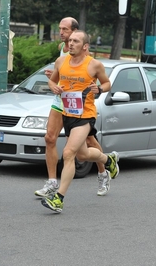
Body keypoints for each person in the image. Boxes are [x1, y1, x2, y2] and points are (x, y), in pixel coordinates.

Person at [41, 30, 119, 213]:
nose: (71, 44)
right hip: (68, 113)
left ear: (85, 46)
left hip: (86, 115)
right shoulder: (61, 62)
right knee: (83, 155)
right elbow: (52, 82)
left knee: (68, 153)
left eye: (75, 41)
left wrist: (98, 89)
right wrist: (54, 87)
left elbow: (107, 84)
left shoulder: (94, 65)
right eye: (69, 41)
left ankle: (58, 198)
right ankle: (109, 160)